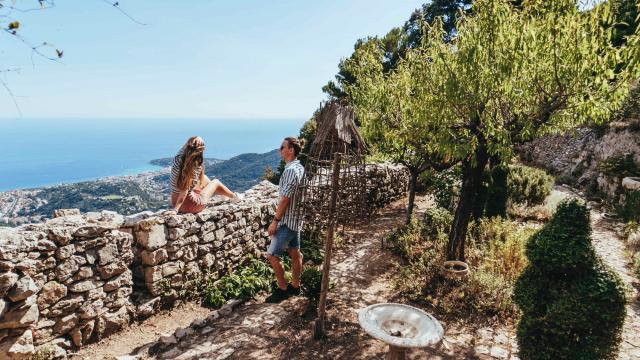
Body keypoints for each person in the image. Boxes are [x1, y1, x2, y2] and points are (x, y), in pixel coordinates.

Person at [265, 136, 306, 303]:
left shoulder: (290, 171)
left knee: (272, 255)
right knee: (295, 253)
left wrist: (275, 221)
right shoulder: (300, 168)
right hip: (296, 219)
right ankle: (295, 286)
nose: (279, 150)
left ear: (290, 150)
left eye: (282, 147)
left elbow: (285, 199)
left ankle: (282, 290)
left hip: (287, 221)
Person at [170, 136, 240, 213]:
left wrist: (193, 139)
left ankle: (224, 196)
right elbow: (184, 190)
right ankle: (234, 197)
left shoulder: (176, 160)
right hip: (191, 206)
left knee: (204, 177)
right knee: (216, 182)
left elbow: (184, 148)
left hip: (174, 202)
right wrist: (175, 210)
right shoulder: (195, 167)